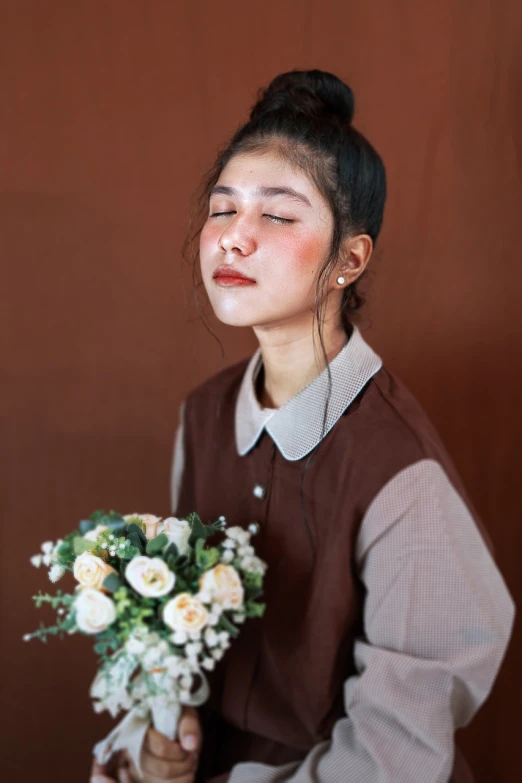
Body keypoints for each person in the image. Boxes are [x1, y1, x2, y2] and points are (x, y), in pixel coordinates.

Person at [91, 69, 515, 783]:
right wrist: (162, 728)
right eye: (222, 209)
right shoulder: (203, 415)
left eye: (278, 216)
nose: (234, 238)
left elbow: (397, 752)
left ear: (350, 258)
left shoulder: (397, 466)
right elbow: (178, 628)